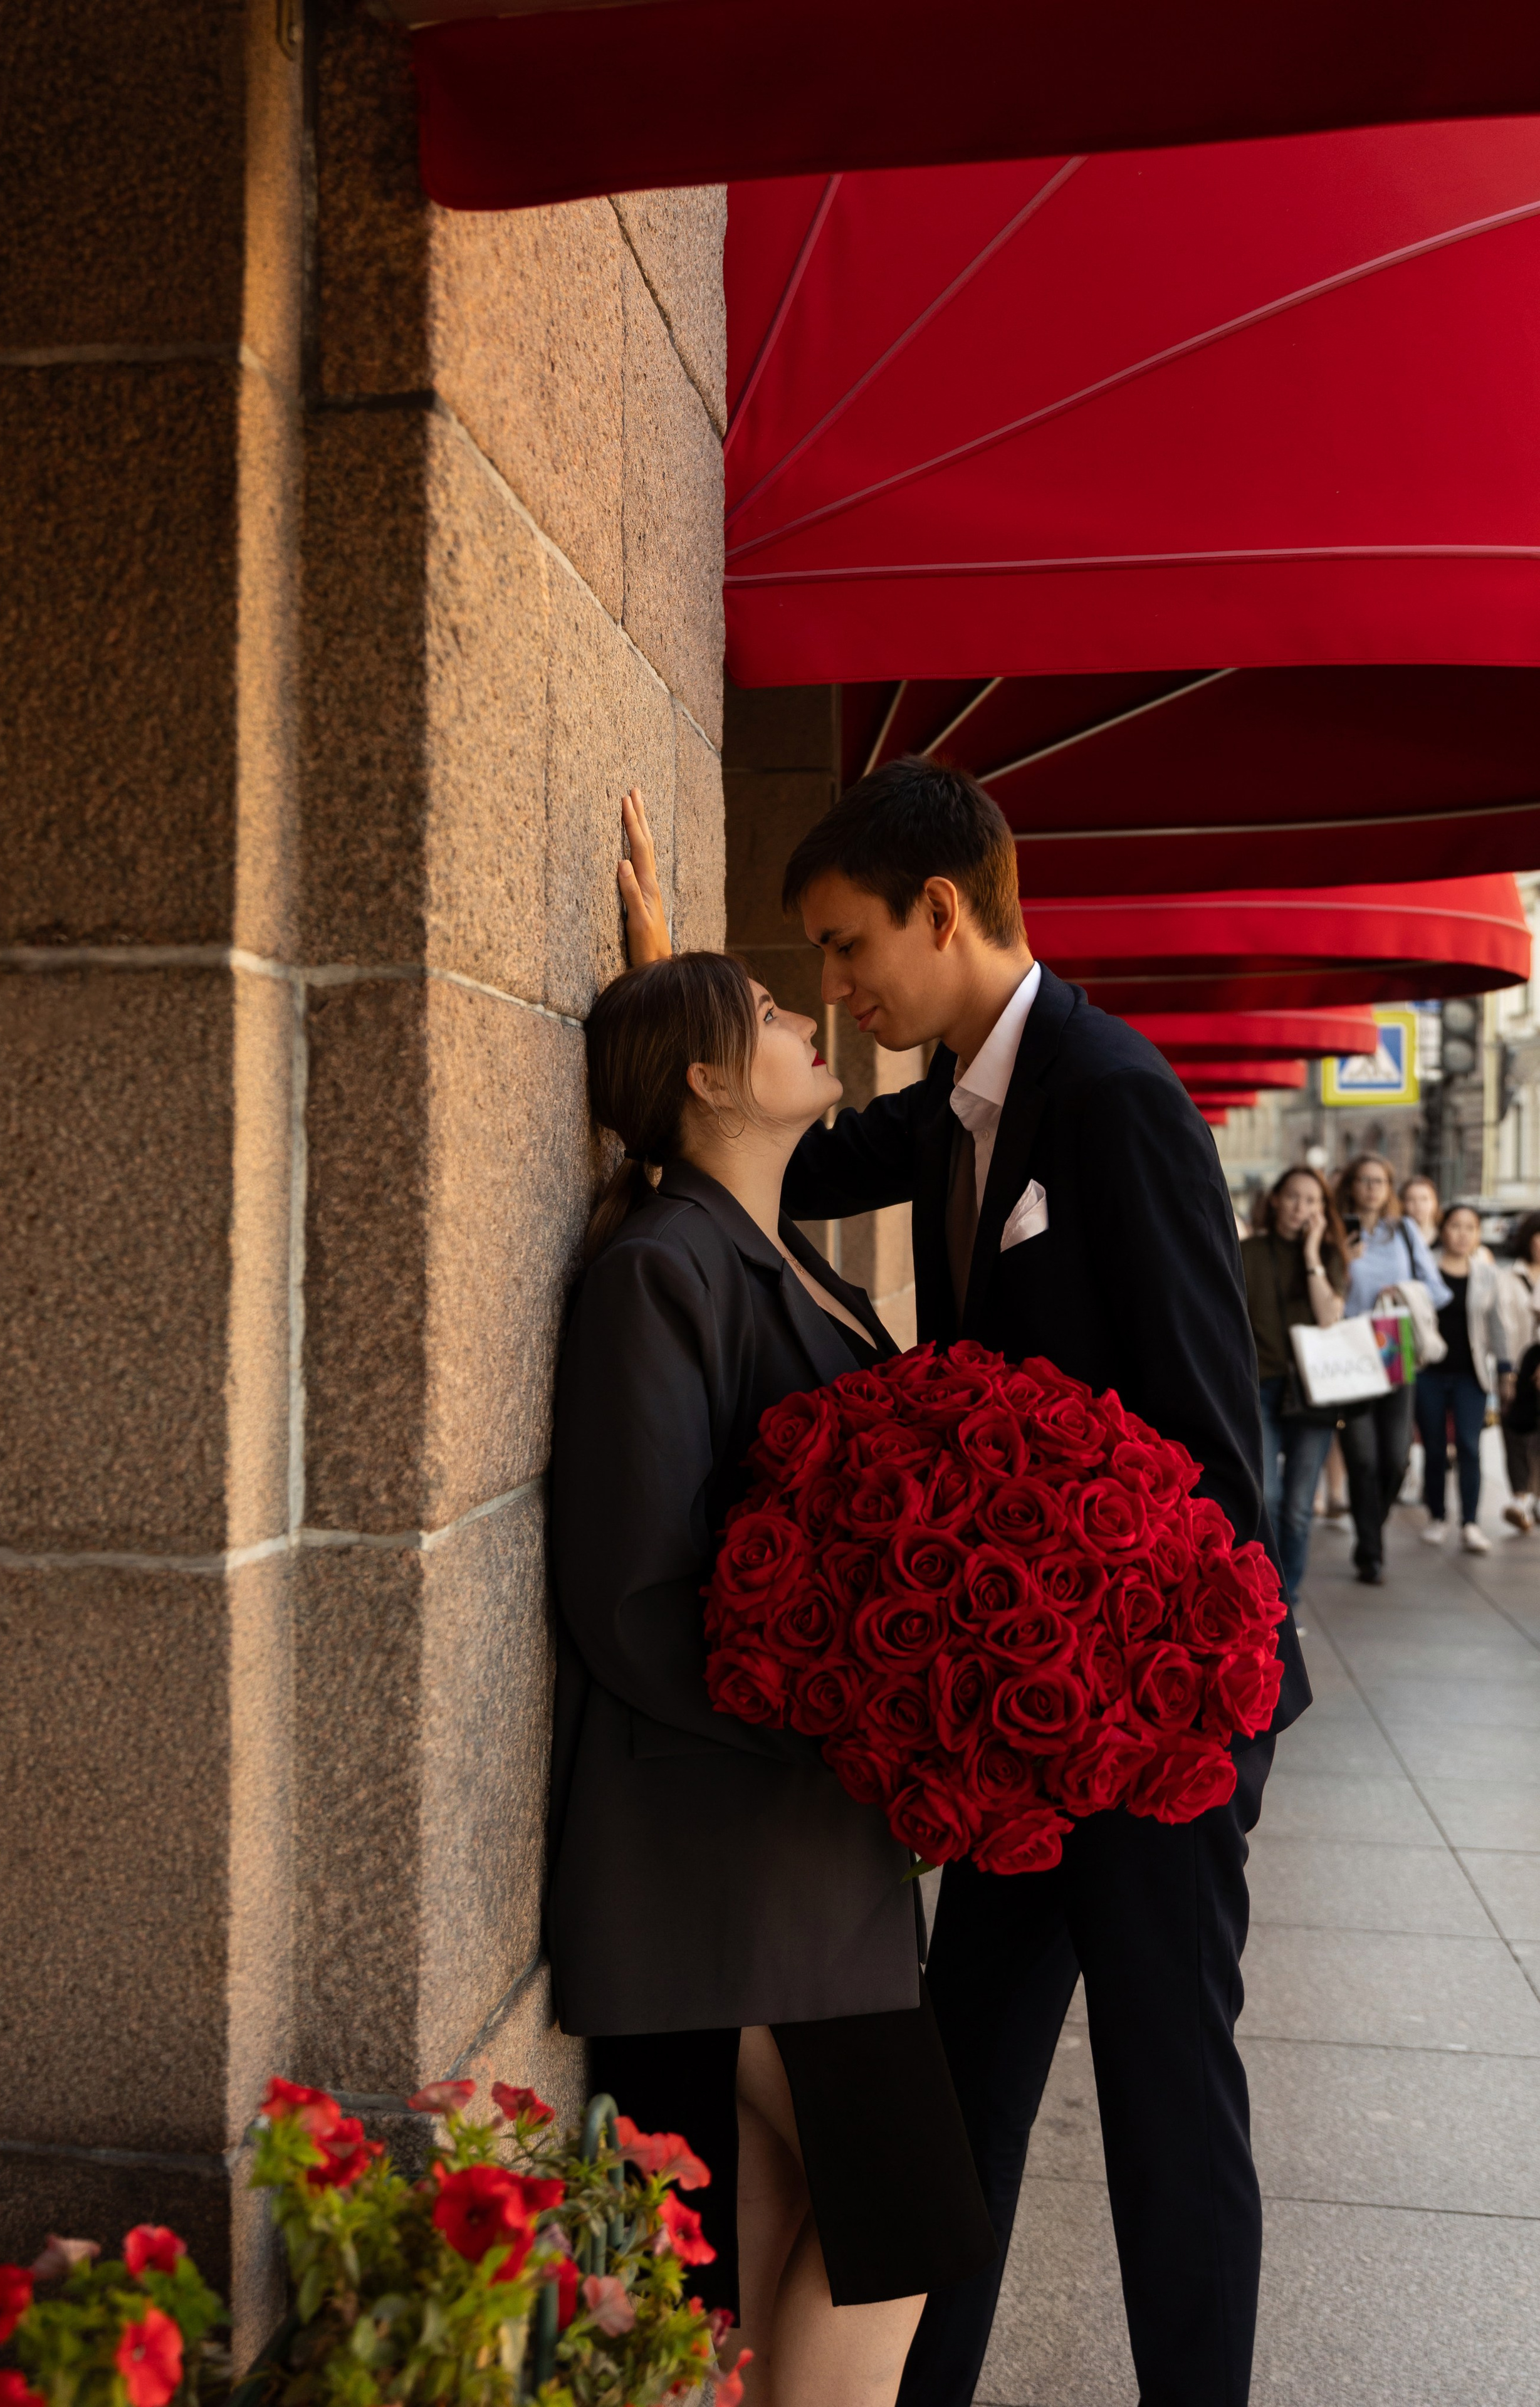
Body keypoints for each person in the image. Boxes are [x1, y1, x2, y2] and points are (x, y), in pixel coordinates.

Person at [620, 763, 1309, 2407]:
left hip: (1150, 1739)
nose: (839, 994)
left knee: (1166, 2115)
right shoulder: (951, 1109)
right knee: (960, 2107)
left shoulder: (1114, 1095)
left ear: (944, 911)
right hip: (1016, 1745)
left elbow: (1219, 1434)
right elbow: (766, 1145)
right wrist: (664, 999)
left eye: (849, 949)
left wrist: (1220, 1734)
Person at [547, 942, 995, 2407]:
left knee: (774, 2246)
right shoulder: (656, 1264)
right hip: (725, 1859)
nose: (813, 1021)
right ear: (703, 1078)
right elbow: (629, 1597)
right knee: (909, 2220)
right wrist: (842, 1719)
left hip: (794, 1849)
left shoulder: (755, 1241)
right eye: (771, 1015)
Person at [1331, 1152, 1450, 1585]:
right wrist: (1342, 1257)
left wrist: (1403, 1291)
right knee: (1362, 1458)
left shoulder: (1404, 1232)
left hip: (1394, 1347)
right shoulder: (1337, 1229)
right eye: (1363, 1180)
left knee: (1397, 1458)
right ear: (1351, 1185)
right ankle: (1370, 1552)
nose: (1371, 1188)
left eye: (1379, 1180)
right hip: (1351, 1351)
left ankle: (1371, 1528)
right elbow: (1321, 1290)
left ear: (1389, 1187)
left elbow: (1436, 1291)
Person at [1240, 1167, 1348, 1605]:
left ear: (1322, 1211)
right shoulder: (1246, 1251)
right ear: (1275, 1200)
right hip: (1260, 1386)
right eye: (1292, 1197)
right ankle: (1261, 1595)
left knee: (1300, 1508)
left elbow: (1328, 1316)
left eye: (1311, 1201)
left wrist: (1311, 1254)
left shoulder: (1328, 1257)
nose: (1300, 1207)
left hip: (1313, 1392)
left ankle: (1289, 1601)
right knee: (1266, 1495)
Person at [1415, 1202, 1519, 1552]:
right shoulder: (1423, 1267)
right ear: (1443, 1230)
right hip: (1428, 1372)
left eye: (1470, 1228)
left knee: (1470, 1448)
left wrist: (1506, 1371)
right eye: (1456, 1226)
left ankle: (1471, 1523)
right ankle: (1436, 1516)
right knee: (1433, 1447)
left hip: (1470, 1375)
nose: (1462, 1234)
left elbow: (1499, 1326)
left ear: (1478, 1234)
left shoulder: (1488, 1274)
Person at [1497, 1210, 1540, 1532]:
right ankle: (1520, 1498)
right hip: (1518, 1367)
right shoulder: (1509, 1278)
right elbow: (1504, 1328)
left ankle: (1532, 1499)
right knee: (1515, 1431)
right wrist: (1507, 1373)